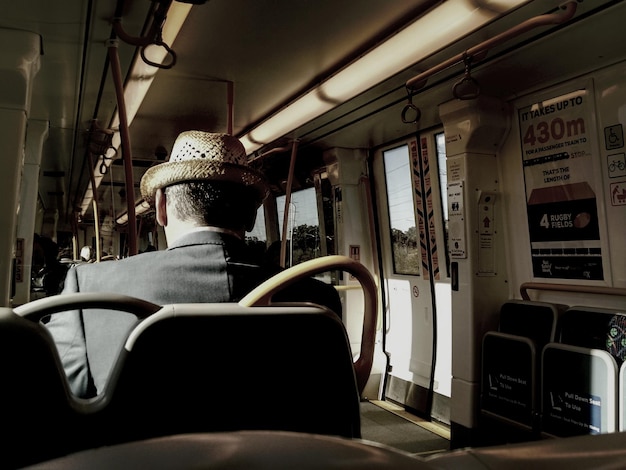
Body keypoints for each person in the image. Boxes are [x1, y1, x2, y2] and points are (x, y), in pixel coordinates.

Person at [46, 131, 342, 398]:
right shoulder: (317, 302)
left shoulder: (87, 289)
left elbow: (62, 404)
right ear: (252, 217)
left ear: (161, 207)